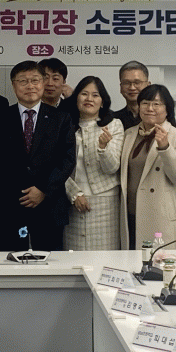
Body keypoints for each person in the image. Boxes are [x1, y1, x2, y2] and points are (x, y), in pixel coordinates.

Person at [0, 61, 75, 251]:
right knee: (12, 261)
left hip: (49, 205)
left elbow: (67, 159)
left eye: (35, 80)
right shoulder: (1, 117)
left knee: (51, 262)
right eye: (23, 81)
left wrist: (43, 189)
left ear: (43, 83)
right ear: (14, 85)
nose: (30, 86)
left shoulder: (61, 118)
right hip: (12, 205)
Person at [120, 84, 176, 250]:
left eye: (156, 104)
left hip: (160, 216)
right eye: (145, 103)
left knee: (160, 263)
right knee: (132, 261)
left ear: (167, 110)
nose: (150, 108)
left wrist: (165, 148)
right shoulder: (129, 134)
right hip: (131, 213)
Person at [62, 76, 124, 251]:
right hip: (72, 203)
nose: (89, 99)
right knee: (74, 257)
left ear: (102, 102)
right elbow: (57, 165)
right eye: (84, 94)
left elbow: (112, 167)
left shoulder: (114, 125)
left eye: (95, 95)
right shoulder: (64, 124)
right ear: (76, 99)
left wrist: (103, 148)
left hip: (106, 204)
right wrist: (74, 194)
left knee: (104, 259)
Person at [113, 61, 151, 130]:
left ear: (148, 85)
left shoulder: (159, 117)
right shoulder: (113, 120)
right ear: (121, 87)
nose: (132, 88)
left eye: (137, 82)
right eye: (126, 83)